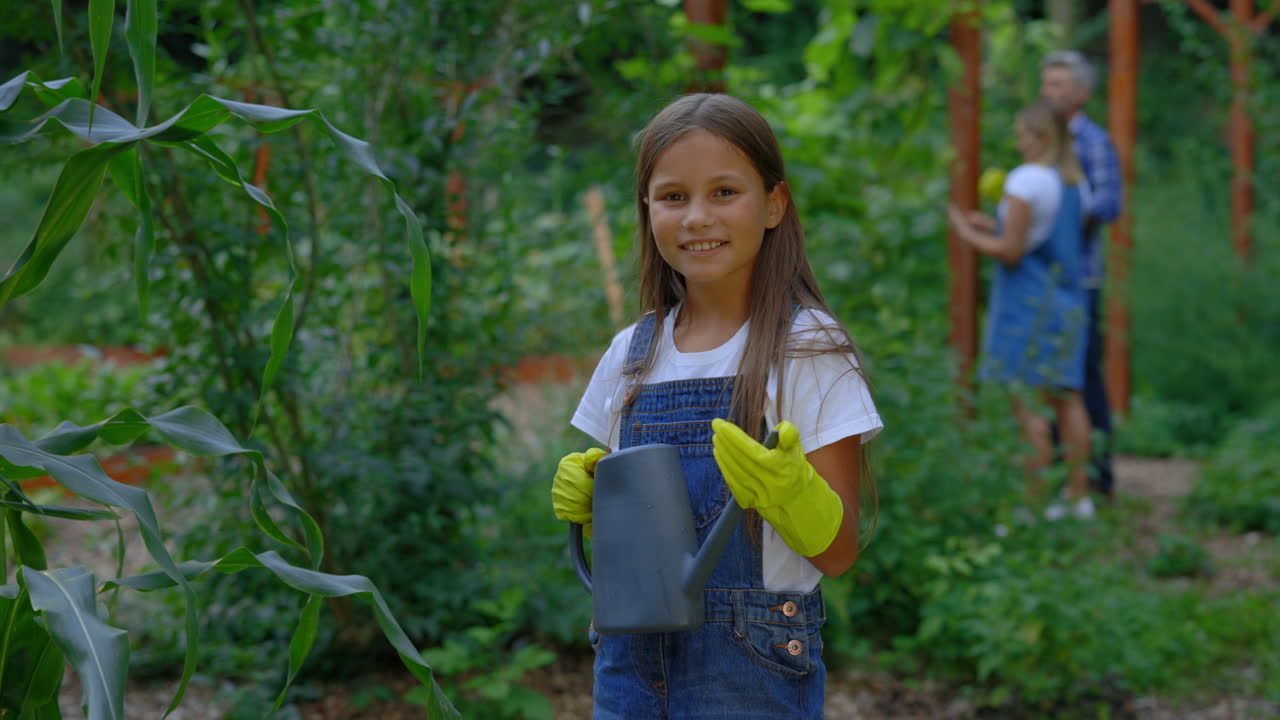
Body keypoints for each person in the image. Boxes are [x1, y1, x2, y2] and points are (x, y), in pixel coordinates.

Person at [551, 93, 882, 719]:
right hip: (626, 667)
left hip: (750, 671)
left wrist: (794, 496)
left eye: (725, 192)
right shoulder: (632, 354)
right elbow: (629, 519)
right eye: (674, 197)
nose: (698, 216)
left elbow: (837, 553)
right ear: (647, 210)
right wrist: (597, 504)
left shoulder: (808, 348)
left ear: (774, 204)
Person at [947, 101, 1094, 518]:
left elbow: (1011, 251)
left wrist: (963, 231)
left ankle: (1032, 505)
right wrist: (992, 225)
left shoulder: (1026, 179)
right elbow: (1043, 238)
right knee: (1068, 398)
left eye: (1024, 134)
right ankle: (1078, 498)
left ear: (1042, 138)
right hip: (1067, 300)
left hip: (1028, 303)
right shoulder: (1073, 183)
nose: (1018, 141)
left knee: (1026, 402)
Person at [1041, 50, 1123, 499]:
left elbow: (1109, 204)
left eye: (1056, 84)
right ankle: (1064, 480)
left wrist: (1063, 219)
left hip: (1081, 279)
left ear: (1081, 93)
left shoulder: (1091, 141)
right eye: (1046, 83)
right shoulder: (1045, 140)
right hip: (1046, 281)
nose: (1046, 92)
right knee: (1054, 380)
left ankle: (1098, 479)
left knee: (1082, 378)